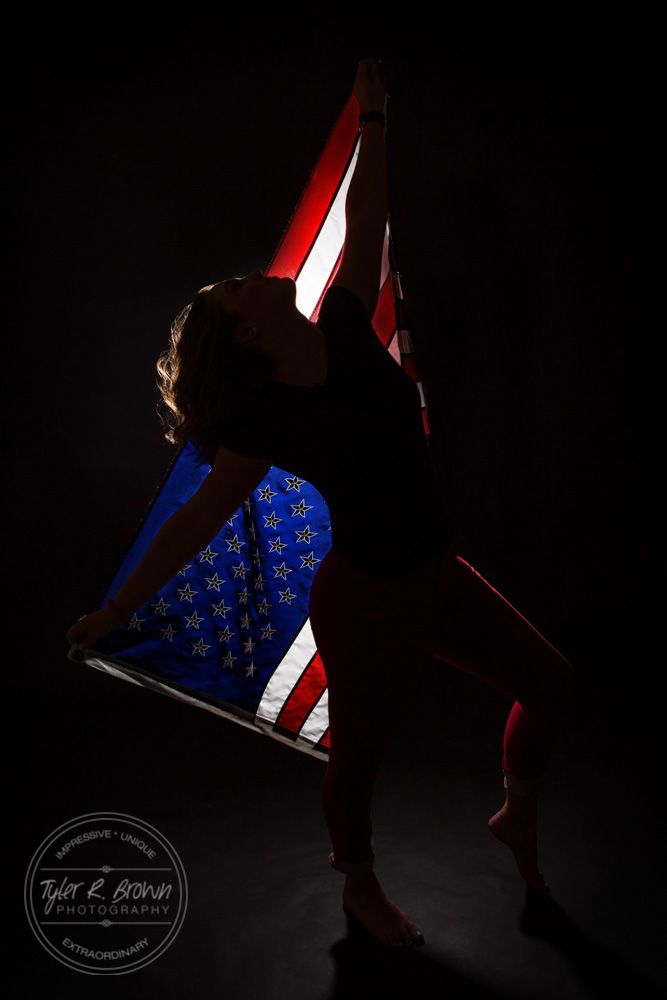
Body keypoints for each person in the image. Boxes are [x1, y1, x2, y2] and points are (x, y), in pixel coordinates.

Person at [65, 57, 576, 949]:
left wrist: (374, 119)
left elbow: (367, 216)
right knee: (361, 756)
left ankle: (516, 812)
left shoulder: (340, 323)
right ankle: (357, 888)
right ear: (248, 331)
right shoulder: (261, 414)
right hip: (366, 598)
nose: (251, 275)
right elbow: (198, 518)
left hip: (436, 574)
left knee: (552, 684)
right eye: (236, 288)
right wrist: (117, 606)